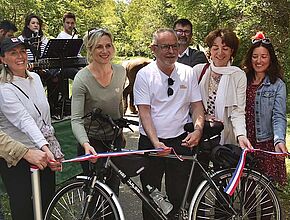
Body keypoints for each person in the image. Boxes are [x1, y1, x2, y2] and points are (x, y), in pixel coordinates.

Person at [133, 28, 205, 219]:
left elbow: (197, 106)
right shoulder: (144, 75)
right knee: (151, 197)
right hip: (151, 143)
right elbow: (145, 113)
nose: (171, 51)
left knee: (178, 197)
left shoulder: (188, 73)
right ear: (153, 49)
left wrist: (198, 130)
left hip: (180, 142)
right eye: (165, 47)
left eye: (175, 46)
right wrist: (156, 142)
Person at [0, 37, 62, 220]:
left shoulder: (35, 77)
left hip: (43, 151)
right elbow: (24, 120)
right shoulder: (4, 89)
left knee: (47, 203)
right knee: (23, 207)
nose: (20, 56)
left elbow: (43, 116)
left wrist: (51, 147)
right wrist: (45, 148)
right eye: (13, 53)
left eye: (22, 51)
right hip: (18, 156)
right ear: (2, 59)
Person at [71, 28, 126, 195]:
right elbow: (76, 119)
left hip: (113, 140)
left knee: (112, 192)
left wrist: (120, 133)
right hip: (92, 141)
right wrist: (85, 144)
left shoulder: (121, 72)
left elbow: (119, 105)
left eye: (108, 46)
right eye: (99, 47)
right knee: (95, 196)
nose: (105, 51)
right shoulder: (81, 78)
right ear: (90, 50)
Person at [193, 28, 252, 148]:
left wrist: (241, 135)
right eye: (215, 48)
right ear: (210, 50)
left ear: (232, 51)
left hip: (226, 135)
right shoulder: (198, 71)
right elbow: (188, 103)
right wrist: (202, 116)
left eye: (225, 48)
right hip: (199, 135)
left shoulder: (238, 75)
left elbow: (238, 111)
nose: (220, 53)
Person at [242, 32, 288, 186]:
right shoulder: (242, 80)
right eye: (255, 56)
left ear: (270, 58)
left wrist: (279, 140)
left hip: (265, 143)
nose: (259, 61)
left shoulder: (278, 85)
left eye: (263, 56)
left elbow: (278, 116)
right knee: (246, 194)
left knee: (267, 196)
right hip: (244, 143)